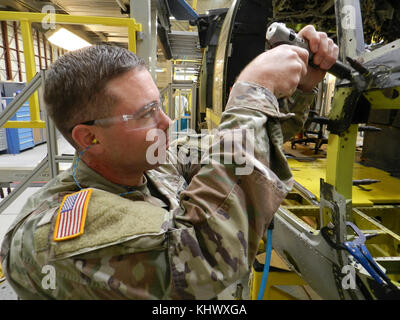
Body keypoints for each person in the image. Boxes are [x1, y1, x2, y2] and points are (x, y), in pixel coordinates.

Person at [0, 25, 338, 299]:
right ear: (90, 138)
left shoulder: (154, 162)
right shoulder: (55, 234)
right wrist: (251, 92)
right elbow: (206, 259)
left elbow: (246, 149)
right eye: (146, 113)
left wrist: (297, 87)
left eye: (159, 104)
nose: (166, 121)